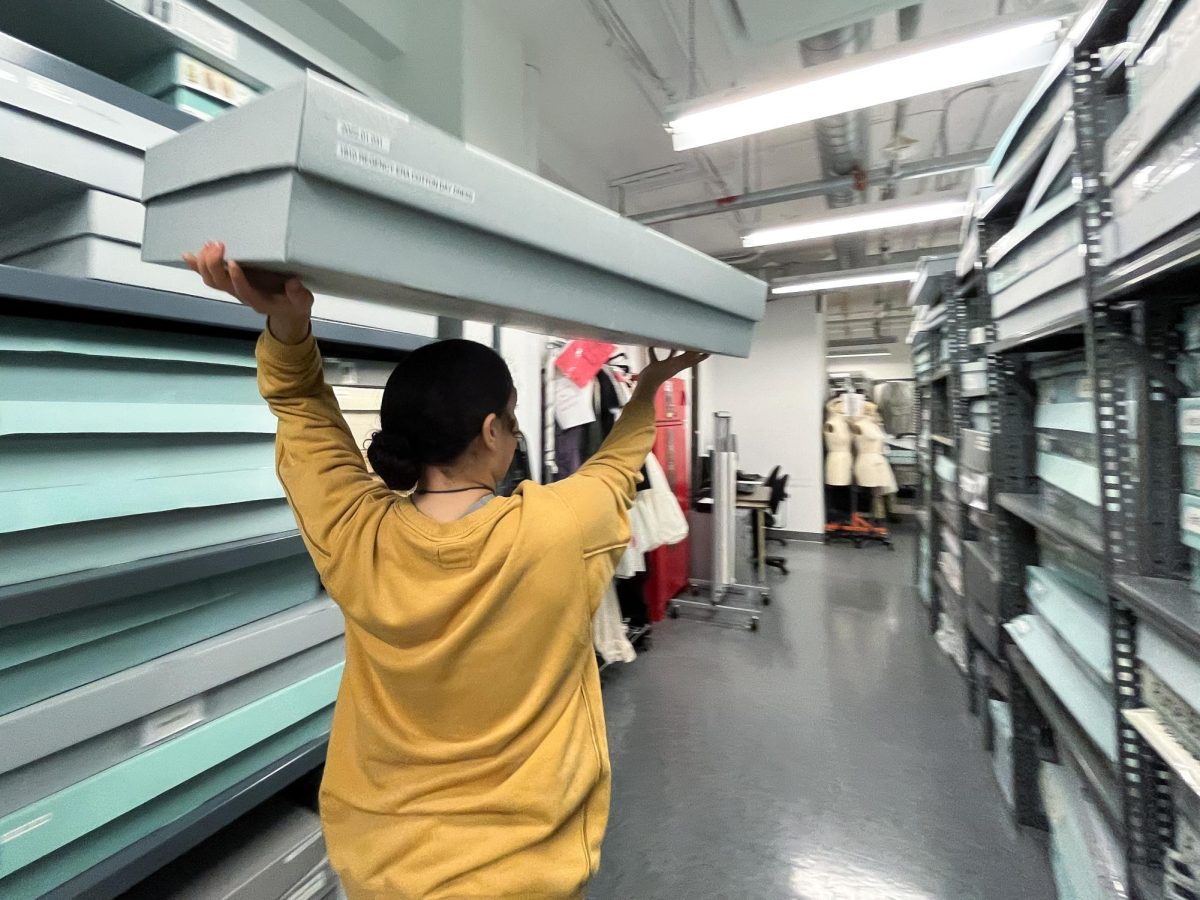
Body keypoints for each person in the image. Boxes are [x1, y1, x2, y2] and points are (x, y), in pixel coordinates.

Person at [185, 243, 706, 899]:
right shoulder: (559, 530)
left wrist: (289, 327)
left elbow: (301, 410)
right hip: (524, 872)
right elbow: (616, 466)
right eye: (514, 422)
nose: (516, 436)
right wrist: (651, 390)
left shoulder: (356, 532)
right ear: (491, 431)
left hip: (384, 868)